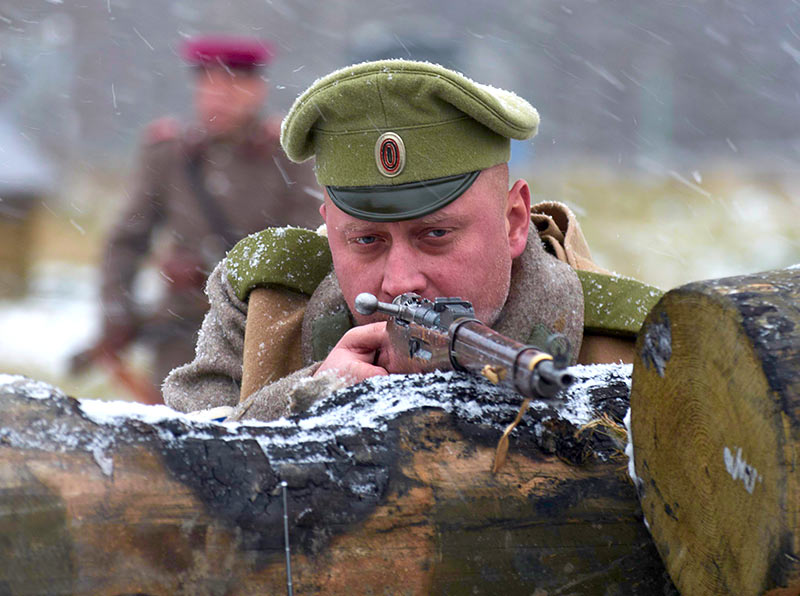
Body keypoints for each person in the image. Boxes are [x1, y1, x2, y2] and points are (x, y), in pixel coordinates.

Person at [163, 59, 662, 419]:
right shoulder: (268, 304)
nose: (400, 281)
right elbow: (178, 474)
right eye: (366, 241)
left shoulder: (635, 342)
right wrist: (307, 399)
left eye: (436, 234)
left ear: (513, 221)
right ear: (329, 226)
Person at [90, 36, 322, 401]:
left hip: (262, 330)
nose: (219, 96)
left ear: (257, 90)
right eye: (209, 84)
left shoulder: (288, 154)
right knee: (173, 437)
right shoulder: (169, 154)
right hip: (181, 330)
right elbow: (127, 240)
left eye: (232, 84)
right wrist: (116, 314)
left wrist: (224, 272)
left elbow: (308, 243)